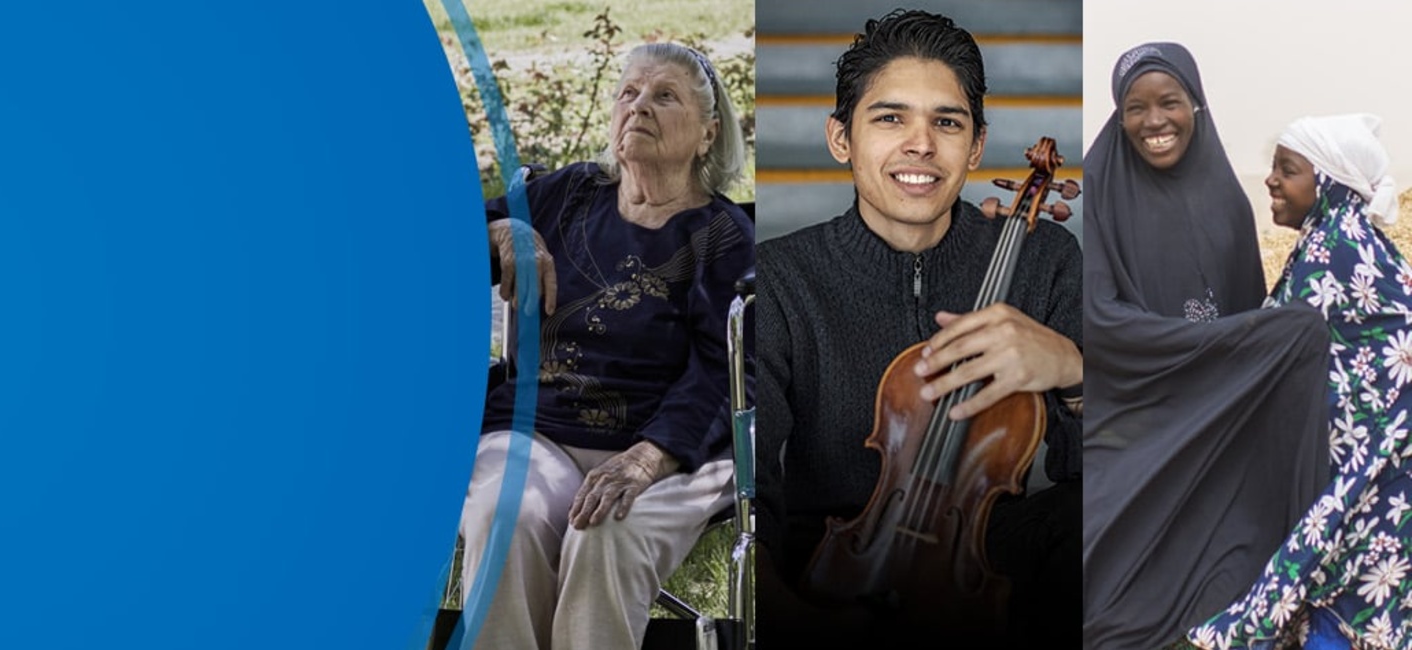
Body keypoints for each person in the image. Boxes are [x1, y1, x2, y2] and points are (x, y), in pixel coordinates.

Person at [752, 9, 1081, 647]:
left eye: (947, 122)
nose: (922, 145)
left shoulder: (1043, 258)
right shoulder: (782, 278)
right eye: (890, 117)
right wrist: (788, 616)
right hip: (833, 561)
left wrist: (1073, 368)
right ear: (840, 138)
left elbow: (1104, 470)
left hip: (988, 562)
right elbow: (753, 481)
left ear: (977, 146)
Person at [458, 41, 752, 650]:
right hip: (536, 430)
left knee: (604, 535)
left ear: (708, 133)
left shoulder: (723, 238)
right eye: (629, 92)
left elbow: (723, 374)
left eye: (664, 96)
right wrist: (506, 229)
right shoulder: (568, 196)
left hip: (668, 451)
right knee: (504, 514)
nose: (639, 105)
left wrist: (649, 459)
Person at [1079, 43, 1333, 650]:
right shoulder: (1097, 187)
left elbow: (1248, 315)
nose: (1154, 121)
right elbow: (1100, 321)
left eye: (1170, 102)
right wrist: (1208, 345)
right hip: (1135, 397)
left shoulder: (1225, 195)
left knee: (1299, 338)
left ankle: (1294, 583)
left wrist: (1238, 348)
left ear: (1196, 103)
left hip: (1217, 401)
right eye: (1134, 108)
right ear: (1119, 116)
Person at [1190, 115, 1412, 649]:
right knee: (1350, 579)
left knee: (1347, 576)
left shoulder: (1336, 247)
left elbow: (1266, 347)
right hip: (1377, 452)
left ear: (1329, 184)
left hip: (1379, 456)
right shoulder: (1340, 235)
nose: (1270, 180)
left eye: (1287, 170)